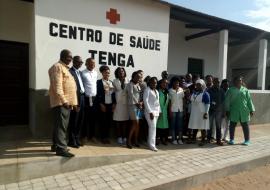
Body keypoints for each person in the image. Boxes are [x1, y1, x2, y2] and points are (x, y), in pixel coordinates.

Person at [48, 49, 77, 157]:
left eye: (71, 57)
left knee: (59, 125)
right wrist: (64, 101)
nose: (70, 59)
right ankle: (61, 148)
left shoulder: (64, 68)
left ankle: (56, 145)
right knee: (61, 127)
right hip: (61, 103)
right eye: (69, 57)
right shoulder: (57, 67)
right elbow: (57, 86)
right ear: (63, 56)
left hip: (65, 103)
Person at [225, 76, 255, 145]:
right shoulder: (230, 90)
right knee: (232, 125)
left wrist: (251, 109)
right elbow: (227, 101)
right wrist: (227, 110)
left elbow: (249, 100)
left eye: (240, 80)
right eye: (237, 80)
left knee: (245, 126)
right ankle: (231, 139)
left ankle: (247, 140)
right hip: (234, 110)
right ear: (234, 81)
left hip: (244, 110)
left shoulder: (245, 90)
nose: (239, 81)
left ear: (242, 81)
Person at [68, 56, 85, 148]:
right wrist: (74, 102)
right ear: (73, 62)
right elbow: (71, 89)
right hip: (75, 99)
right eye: (79, 62)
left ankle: (77, 139)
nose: (80, 64)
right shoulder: (70, 72)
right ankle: (71, 140)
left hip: (82, 98)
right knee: (74, 121)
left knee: (80, 120)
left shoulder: (80, 73)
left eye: (81, 62)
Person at [96, 66, 116, 144]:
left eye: (108, 72)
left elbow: (114, 94)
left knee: (108, 122)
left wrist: (114, 104)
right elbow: (98, 95)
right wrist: (101, 104)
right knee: (102, 122)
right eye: (105, 72)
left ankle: (107, 137)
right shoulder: (99, 82)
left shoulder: (112, 82)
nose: (107, 74)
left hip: (110, 105)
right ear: (102, 73)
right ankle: (103, 137)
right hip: (103, 105)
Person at [188, 79, 210, 146]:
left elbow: (207, 104)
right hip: (194, 112)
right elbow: (191, 101)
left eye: (199, 85)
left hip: (202, 111)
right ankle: (193, 139)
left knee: (203, 126)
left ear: (202, 85)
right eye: (197, 85)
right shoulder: (194, 93)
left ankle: (203, 140)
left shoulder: (205, 93)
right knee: (195, 125)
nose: (198, 86)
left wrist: (206, 113)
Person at [81, 58, 98, 143]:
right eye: (90, 63)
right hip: (86, 98)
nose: (92, 65)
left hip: (94, 99)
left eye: (94, 64)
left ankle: (92, 136)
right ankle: (84, 136)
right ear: (86, 64)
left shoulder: (95, 73)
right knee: (84, 118)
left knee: (93, 118)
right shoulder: (83, 73)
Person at [126, 71, 143, 149]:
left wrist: (140, 103)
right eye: (137, 77)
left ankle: (135, 141)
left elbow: (139, 95)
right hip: (132, 106)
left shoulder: (138, 85)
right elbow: (131, 95)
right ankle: (128, 141)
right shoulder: (130, 85)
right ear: (133, 77)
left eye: (139, 77)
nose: (138, 78)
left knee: (137, 124)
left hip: (138, 106)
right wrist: (137, 103)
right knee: (135, 123)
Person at [113, 67, 129, 145]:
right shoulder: (114, 81)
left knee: (125, 121)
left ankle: (124, 137)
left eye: (122, 71)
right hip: (118, 103)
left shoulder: (128, 80)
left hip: (125, 104)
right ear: (117, 73)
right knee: (118, 121)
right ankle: (119, 137)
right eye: (119, 71)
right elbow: (113, 92)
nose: (121, 72)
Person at [207, 78, 225, 146]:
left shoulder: (221, 90)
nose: (217, 83)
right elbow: (207, 100)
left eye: (218, 82)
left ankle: (218, 140)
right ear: (213, 82)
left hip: (219, 111)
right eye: (216, 82)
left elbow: (223, 102)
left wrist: (223, 112)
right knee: (209, 126)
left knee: (218, 126)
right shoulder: (209, 90)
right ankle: (208, 139)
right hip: (211, 110)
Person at [143, 77, 160, 151]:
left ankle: (150, 143)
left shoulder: (156, 91)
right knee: (153, 128)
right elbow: (145, 101)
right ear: (149, 83)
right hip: (150, 112)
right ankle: (152, 145)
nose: (154, 84)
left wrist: (160, 111)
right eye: (152, 82)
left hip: (156, 112)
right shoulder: (147, 90)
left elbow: (157, 102)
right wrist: (150, 112)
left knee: (153, 128)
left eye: (155, 82)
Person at [169, 77, 185, 145]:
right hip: (173, 110)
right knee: (173, 125)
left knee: (180, 125)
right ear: (173, 83)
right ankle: (174, 139)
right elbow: (169, 102)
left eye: (178, 83)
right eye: (175, 83)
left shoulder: (181, 90)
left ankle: (180, 139)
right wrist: (170, 111)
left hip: (180, 110)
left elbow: (183, 99)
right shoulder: (170, 91)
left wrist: (183, 109)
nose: (177, 84)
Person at [156, 78, 169, 145]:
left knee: (164, 126)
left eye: (166, 83)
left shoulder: (167, 91)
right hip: (159, 110)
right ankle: (157, 139)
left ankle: (163, 139)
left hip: (165, 111)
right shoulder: (157, 91)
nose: (165, 84)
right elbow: (156, 102)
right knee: (158, 125)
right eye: (163, 83)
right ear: (160, 83)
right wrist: (159, 111)